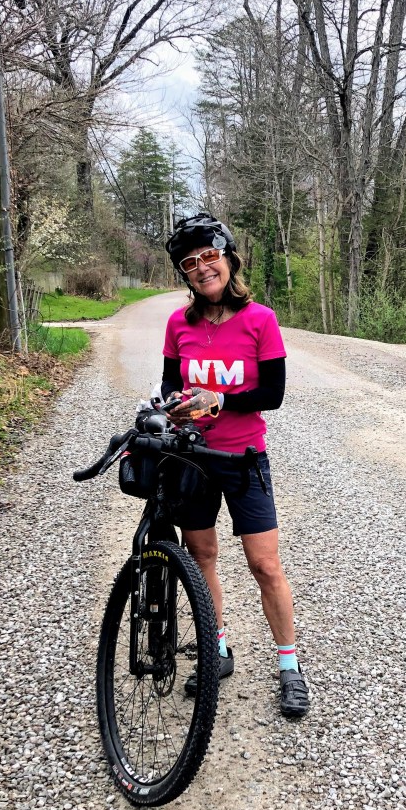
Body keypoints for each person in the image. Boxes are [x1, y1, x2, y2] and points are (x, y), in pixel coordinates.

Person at [161, 211, 310, 718]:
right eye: (190, 263)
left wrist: (219, 400)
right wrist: (174, 402)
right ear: (185, 275)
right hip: (193, 458)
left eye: (209, 256)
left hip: (244, 457)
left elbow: (273, 394)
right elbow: (170, 383)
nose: (202, 268)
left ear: (228, 259)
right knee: (201, 556)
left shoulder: (260, 319)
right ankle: (217, 649)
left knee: (264, 564)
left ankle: (289, 666)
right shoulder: (179, 324)